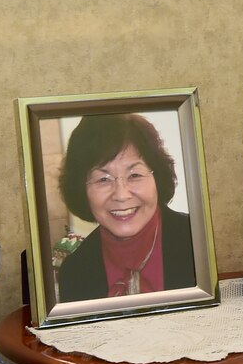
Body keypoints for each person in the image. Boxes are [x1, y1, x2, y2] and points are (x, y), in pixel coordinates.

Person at [57, 113, 196, 302]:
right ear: (81, 189)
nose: (121, 195)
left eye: (135, 175)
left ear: (158, 177)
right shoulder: (74, 272)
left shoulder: (198, 243)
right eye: (103, 179)